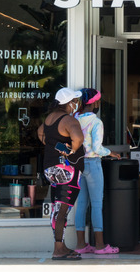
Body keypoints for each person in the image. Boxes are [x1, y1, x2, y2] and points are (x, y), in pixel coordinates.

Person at [38, 87, 86, 261]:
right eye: (75, 101)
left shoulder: (49, 119)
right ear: (69, 103)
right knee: (62, 211)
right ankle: (58, 249)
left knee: (57, 210)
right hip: (66, 171)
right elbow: (78, 138)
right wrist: (71, 150)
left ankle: (61, 246)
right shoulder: (68, 120)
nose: (77, 104)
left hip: (50, 169)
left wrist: (54, 146)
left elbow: (40, 133)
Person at [73, 88, 122, 255]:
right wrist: (111, 153)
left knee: (81, 205)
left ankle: (81, 244)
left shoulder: (74, 119)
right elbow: (97, 148)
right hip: (93, 164)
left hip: (78, 164)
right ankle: (100, 245)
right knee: (96, 205)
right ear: (95, 103)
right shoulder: (96, 122)